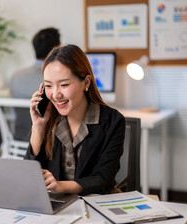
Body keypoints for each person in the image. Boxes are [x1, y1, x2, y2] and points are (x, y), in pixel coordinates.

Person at [25, 44, 125, 195]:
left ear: (86, 82)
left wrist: (61, 186)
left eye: (64, 85)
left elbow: (103, 179)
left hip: (96, 203)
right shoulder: (47, 118)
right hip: (58, 205)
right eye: (48, 86)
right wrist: (38, 127)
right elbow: (29, 177)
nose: (56, 94)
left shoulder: (112, 121)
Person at [10, 27, 61, 141]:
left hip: (20, 139)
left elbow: (13, 113)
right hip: (47, 142)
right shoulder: (56, 79)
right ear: (57, 48)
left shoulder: (16, 76)